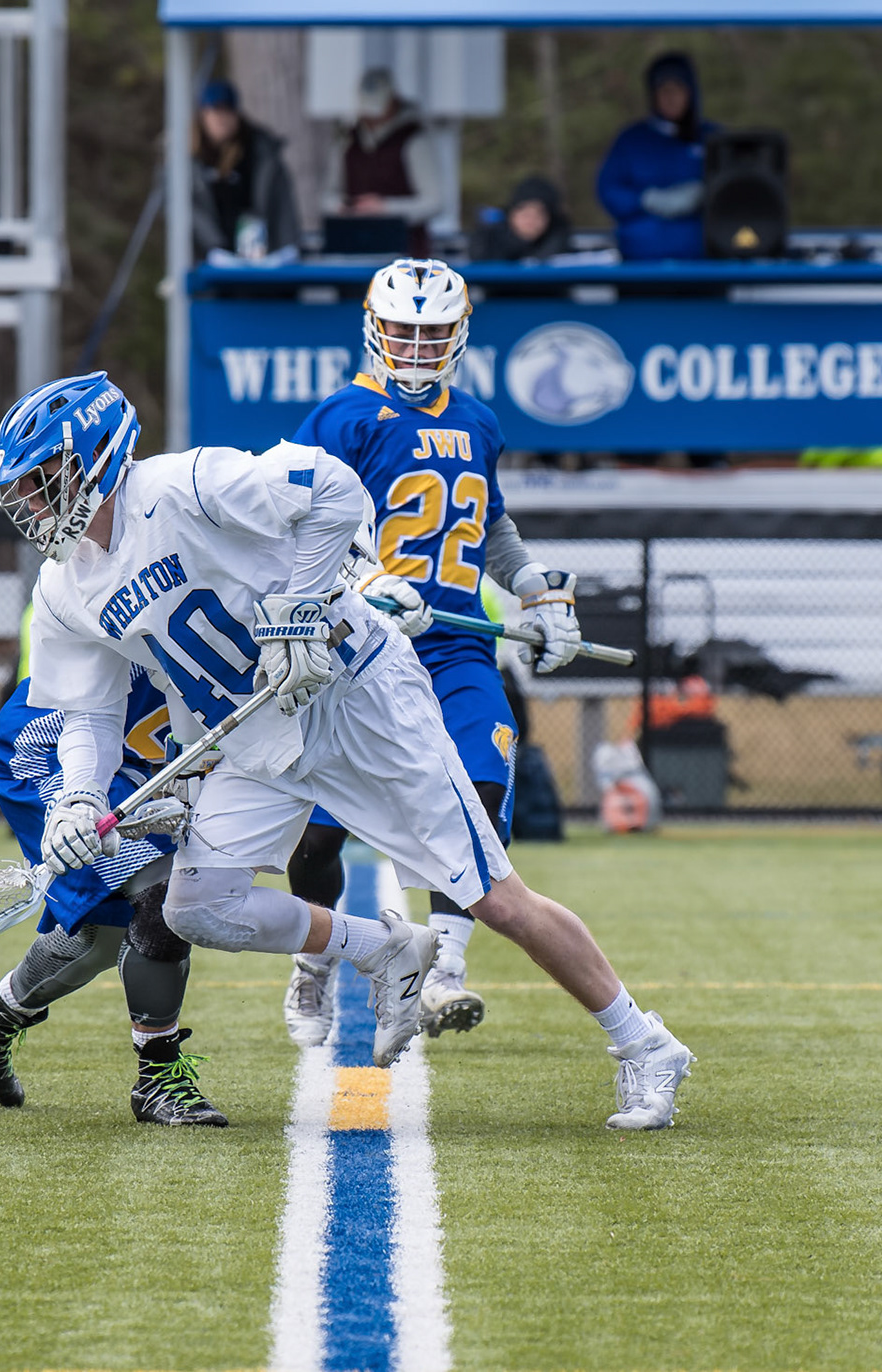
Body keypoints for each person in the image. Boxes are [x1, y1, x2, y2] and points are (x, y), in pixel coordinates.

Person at [0, 370, 694, 1130]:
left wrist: (301, 605)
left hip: (358, 696)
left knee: (494, 896)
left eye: (42, 478)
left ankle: (645, 1045)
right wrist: (78, 798)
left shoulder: (186, 485)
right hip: (257, 732)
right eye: (21, 486)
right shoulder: (64, 590)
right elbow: (88, 717)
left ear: (95, 456)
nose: (30, 501)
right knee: (197, 907)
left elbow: (334, 487)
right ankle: (383, 950)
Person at [281, 258, 584, 1045]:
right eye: (404, 332)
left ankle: (443, 969)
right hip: (356, 647)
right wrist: (361, 579)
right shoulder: (342, 417)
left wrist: (537, 592)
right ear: (375, 329)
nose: (416, 349)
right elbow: (290, 525)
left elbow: (491, 527)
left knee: (481, 792)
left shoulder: (479, 421)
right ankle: (313, 963)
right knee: (320, 832)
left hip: (455, 647)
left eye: (433, 334)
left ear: (458, 334)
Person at [0, 661, 226, 1127]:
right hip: (53, 742)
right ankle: (158, 1077)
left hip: (132, 754)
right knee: (162, 889)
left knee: (106, 936)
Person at [596, 53, 718, 261]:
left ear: (690, 92)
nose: (670, 98)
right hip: (642, 261)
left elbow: (739, 186)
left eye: (677, 89)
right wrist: (646, 199)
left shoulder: (712, 138)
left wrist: (706, 193)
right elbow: (608, 188)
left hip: (702, 259)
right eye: (663, 90)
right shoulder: (632, 140)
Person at [322, 68, 444, 258]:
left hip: (405, 257)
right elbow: (327, 196)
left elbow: (435, 202)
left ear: (393, 102)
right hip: (353, 254)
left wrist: (385, 208)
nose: (372, 118)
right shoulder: (348, 142)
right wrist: (346, 208)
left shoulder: (413, 140)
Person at [191, 79, 302, 262]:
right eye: (215, 111)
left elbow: (283, 208)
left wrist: (286, 249)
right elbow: (191, 216)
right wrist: (214, 249)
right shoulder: (189, 163)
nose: (221, 119)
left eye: (227, 111)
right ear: (203, 115)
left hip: (261, 258)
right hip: (209, 262)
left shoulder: (259, 154)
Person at [471, 176, 573, 262]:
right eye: (524, 213)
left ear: (550, 219)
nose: (531, 220)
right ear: (511, 214)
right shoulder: (488, 245)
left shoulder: (560, 252)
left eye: (539, 214)